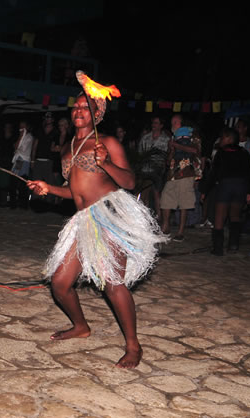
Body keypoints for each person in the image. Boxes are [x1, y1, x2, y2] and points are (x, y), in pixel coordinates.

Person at [27, 94, 166, 369]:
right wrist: (48, 188)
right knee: (60, 283)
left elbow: (129, 181)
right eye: (76, 107)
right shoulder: (68, 148)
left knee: (112, 282)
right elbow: (75, 191)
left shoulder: (107, 143)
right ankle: (81, 326)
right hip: (83, 220)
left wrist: (107, 164)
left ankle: (133, 346)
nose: (79, 111)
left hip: (109, 213)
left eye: (85, 107)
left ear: (97, 114)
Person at [199, 127, 250, 255]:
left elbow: (214, 174)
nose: (221, 140)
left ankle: (218, 248)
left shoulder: (222, 152)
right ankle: (233, 245)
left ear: (230, 139)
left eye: (223, 137)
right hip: (240, 186)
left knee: (219, 217)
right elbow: (249, 173)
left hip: (226, 185)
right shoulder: (244, 152)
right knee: (235, 216)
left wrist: (205, 191)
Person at [160, 115, 201, 241]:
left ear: (182, 123)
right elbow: (169, 160)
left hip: (187, 172)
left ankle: (180, 231)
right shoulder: (173, 138)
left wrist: (177, 146)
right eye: (172, 122)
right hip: (172, 174)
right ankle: (165, 227)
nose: (172, 124)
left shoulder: (193, 136)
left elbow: (195, 151)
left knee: (184, 202)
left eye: (175, 122)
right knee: (165, 199)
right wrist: (171, 150)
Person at [137, 116, 171, 219]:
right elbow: (140, 153)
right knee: (144, 193)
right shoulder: (145, 137)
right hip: (145, 169)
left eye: (156, 123)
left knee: (157, 193)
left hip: (158, 169)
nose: (154, 125)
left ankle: (159, 215)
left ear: (161, 125)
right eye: (153, 123)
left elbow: (168, 154)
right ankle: (145, 216)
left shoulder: (166, 139)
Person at [11, 119, 36, 209]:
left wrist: (21, 136)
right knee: (14, 181)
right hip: (18, 160)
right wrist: (20, 137)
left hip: (23, 161)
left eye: (23, 126)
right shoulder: (21, 136)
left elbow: (21, 149)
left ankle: (23, 204)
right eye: (20, 126)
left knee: (21, 182)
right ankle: (14, 203)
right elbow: (15, 146)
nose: (21, 128)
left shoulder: (29, 137)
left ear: (27, 127)